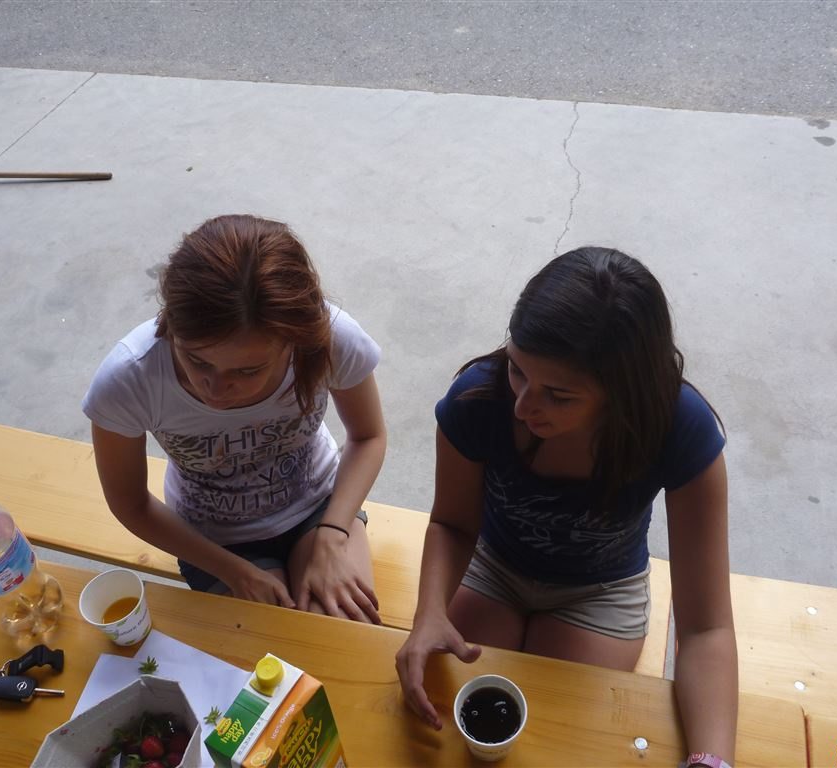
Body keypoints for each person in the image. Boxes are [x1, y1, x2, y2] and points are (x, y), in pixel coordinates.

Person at [396, 247, 737, 766]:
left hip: (601, 591)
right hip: (492, 566)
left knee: (555, 737)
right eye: (517, 370)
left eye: (558, 395)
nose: (523, 406)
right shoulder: (478, 400)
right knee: (452, 721)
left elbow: (706, 627)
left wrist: (711, 761)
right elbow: (452, 523)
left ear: (623, 392)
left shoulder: (678, 428)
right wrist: (428, 614)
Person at [83, 214, 386, 624]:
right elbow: (130, 502)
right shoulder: (130, 378)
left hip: (320, 505)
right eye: (196, 361)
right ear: (171, 325)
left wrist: (333, 535)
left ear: (294, 342)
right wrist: (232, 570)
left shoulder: (330, 339)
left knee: (340, 633)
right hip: (213, 538)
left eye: (247, 371)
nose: (215, 388)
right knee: (271, 651)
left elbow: (368, 437)